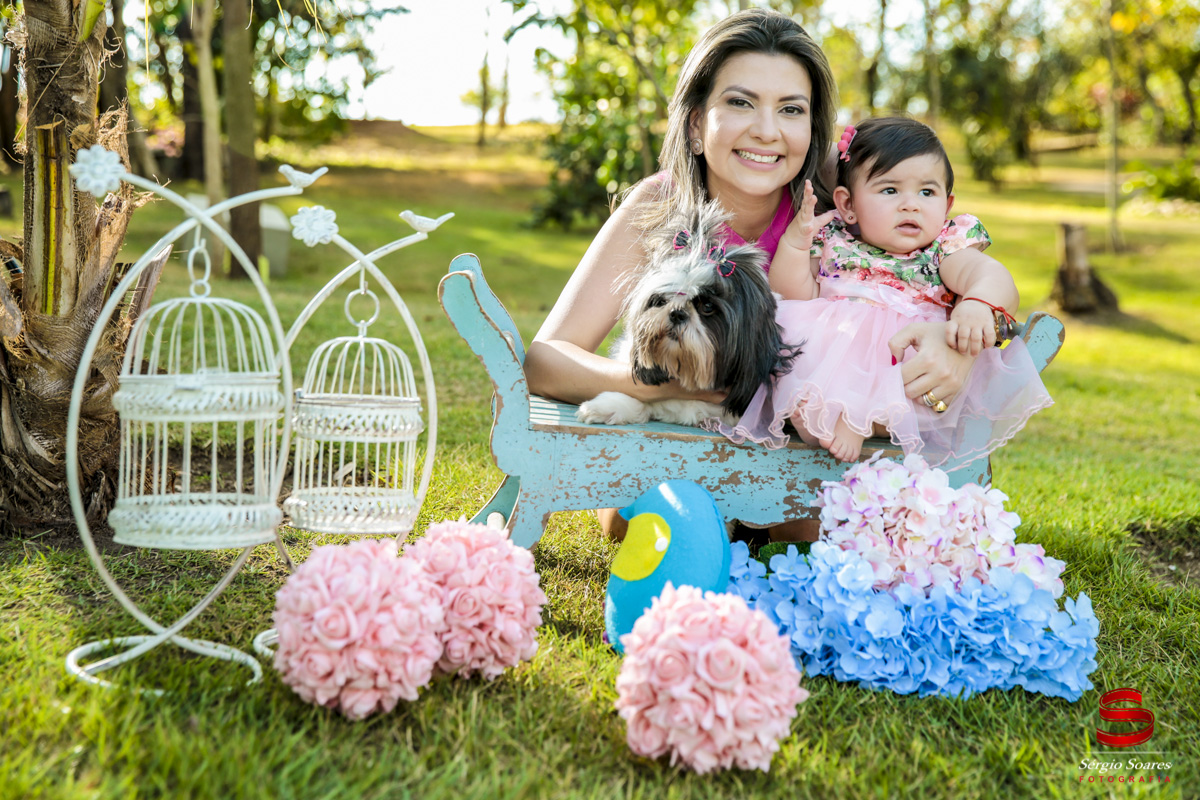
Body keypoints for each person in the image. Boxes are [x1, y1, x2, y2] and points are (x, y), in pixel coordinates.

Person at [523, 10, 979, 540]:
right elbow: (544, 359)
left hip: (814, 460)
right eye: (740, 102)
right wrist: (654, 387)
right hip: (683, 453)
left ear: (813, 131)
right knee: (650, 521)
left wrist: (960, 342)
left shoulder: (839, 207)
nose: (766, 131)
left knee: (814, 524)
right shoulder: (658, 206)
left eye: (790, 109)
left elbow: (949, 259)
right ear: (696, 124)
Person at [720, 116, 1053, 465]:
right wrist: (794, 244)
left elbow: (987, 273)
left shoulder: (942, 248)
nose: (911, 204)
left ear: (947, 205)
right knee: (794, 353)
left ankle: (860, 423)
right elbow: (795, 294)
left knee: (908, 390)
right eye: (890, 190)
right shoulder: (833, 237)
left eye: (927, 192)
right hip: (836, 346)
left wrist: (977, 303)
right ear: (848, 205)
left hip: (905, 351)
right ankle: (821, 413)